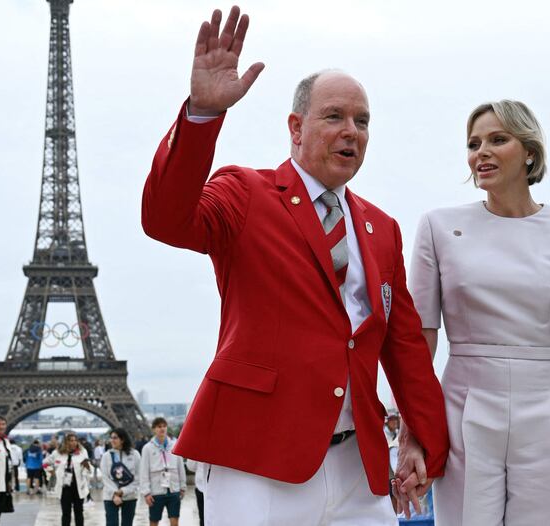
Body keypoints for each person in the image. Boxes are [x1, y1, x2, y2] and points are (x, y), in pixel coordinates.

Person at [141, 6, 450, 525]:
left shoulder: (382, 227)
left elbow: (404, 347)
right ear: (296, 126)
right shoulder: (246, 193)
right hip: (257, 461)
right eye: (334, 116)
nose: (351, 130)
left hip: (360, 468)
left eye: (363, 121)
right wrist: (201, 116)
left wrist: (425, 440)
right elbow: (167, 220)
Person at [408, 100, 550, 525]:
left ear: (530, 152)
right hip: (463, 403)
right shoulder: (436, 227)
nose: (481, 152)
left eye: (498, 140)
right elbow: (421, 338)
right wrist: (412, 433)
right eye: (473, 143)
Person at [140, 418, 186, 526]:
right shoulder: (147, 448)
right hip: (156, 490)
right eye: (159, 426)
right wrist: (146, 492)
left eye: (164, 426)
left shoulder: (175, 445)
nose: (162, 429)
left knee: (175, 520)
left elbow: (180, 467)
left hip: (173, 489)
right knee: (154, 521)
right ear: (154, 429)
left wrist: (182, 487)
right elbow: (144, 471)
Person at [44, 432, 92, 526]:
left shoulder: (82, 452)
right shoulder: (57, 453)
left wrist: (87, 467)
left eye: (75, 440)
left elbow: (88, 468)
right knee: (66, 513)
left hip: (78, 487)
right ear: (66, 442)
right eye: (70, 440)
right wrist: (51, 471)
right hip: (64, 488)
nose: (73, 443)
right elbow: (45, 463)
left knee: (79, 512)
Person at [100, 428, 141, 526]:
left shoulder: (135, 454)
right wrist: (115, 493)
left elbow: (138, 476)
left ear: (122, 439)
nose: (112, 440)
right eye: (111, 438)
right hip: (110, 496)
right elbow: (105, 477)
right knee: (111, 524)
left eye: (115, 438)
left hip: (130, 495)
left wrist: (123, 491)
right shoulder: (106, 456)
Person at [184, 458, 207, 526]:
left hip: (202, 486)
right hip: (203, 486)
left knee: (203, 517)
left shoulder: (198, 447)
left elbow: (191, 467)